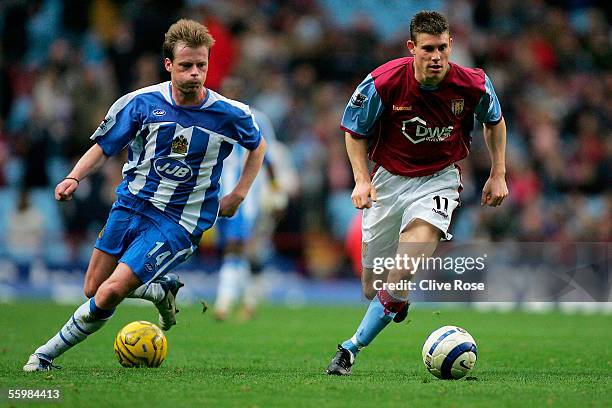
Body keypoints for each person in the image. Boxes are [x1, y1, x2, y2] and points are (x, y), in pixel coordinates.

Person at [23, 19, 266, 372]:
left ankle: (42, 356)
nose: (195, 73)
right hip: (131, 205)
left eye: (202, 65)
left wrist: (239, 194)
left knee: (111, 291)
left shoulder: (231, 114)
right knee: (94, 288)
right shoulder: (139, 103)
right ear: (168, 64)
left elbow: (257, 146)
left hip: (179, 220)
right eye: (186, 66)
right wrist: (73, 177)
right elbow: (103, 147)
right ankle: (158, 291)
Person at [326, 11, 508, 375]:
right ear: (412, 48)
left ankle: (350, 349)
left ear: (451, 45)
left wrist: (498, 173)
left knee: (404, 268)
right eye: (428, 48)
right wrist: (361, 180)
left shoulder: (472, 83)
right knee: (373, 287)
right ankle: (396, 300)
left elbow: (494, 121)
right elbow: (354, 131)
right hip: (388, 182)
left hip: (438, 180)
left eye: (443, 47)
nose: (437, 56)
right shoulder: (383, 82)